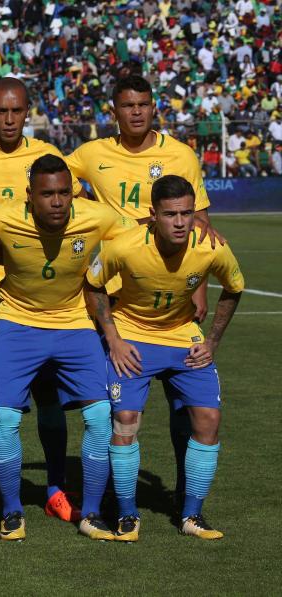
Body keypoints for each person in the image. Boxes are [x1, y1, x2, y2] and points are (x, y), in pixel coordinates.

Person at [64, 74, 222, 506]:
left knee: (182, 400)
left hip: (172, 292)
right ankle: (109, 495)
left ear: (155, 108)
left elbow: (202, 225)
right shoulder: (93, 153)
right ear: (112, 111)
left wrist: (200, 287)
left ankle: (182, 489)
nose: (136, 112)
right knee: (112, 405)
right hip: (113, 294)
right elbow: (53, 177)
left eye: (144, 104)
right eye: (127, 105)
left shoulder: (180, 154)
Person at [0, 77, 85, 524]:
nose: (9, 119)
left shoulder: (48, 158)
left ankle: (57, 487)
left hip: (41, 301)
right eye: (0, 111)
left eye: (17, 111)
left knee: (49, 397)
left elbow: (76, 211)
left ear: (28, 111)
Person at [84, 175, 244, 541]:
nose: (180, 222)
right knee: (125, 420)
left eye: (187, 213)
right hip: (133, 337)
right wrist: (113, 339)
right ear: (153, 214)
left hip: (182, 336)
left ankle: (192, 515)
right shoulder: (123, 246)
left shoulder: (211, 247)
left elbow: (235, 288)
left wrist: (213, 342)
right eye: (171, 214)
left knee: (209, 418)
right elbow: (92, 285)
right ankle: (126, 514)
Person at [0, 154, 132, 542]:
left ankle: (93, 513)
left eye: (64, 192)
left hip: (75, 324)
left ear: (74, 192)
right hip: (16, 324)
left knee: (101, 418)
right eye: (47, 194)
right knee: (6, 420)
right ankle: (13, 510)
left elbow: (141, 235)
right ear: (29, 195)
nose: (57, 201)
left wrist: (197, 223)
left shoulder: (97, 217)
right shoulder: (1, 217)